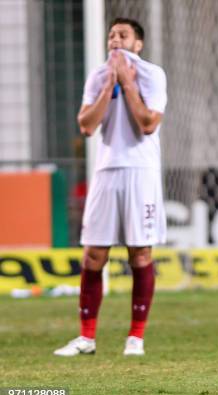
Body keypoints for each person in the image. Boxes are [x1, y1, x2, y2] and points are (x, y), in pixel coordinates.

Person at [54, 18, 167, 357]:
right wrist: (109, 88)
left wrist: (128, 84)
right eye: (111, 35)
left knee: (140, 253)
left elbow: (148, 124)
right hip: (106, 171)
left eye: (123, 35)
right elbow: (87, 126)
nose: (115, 40)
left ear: (138, 44)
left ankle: (136, 338)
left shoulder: (152, 75)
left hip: (140, 171)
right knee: (93, 254)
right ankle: (86, 338)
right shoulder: (97, 76)